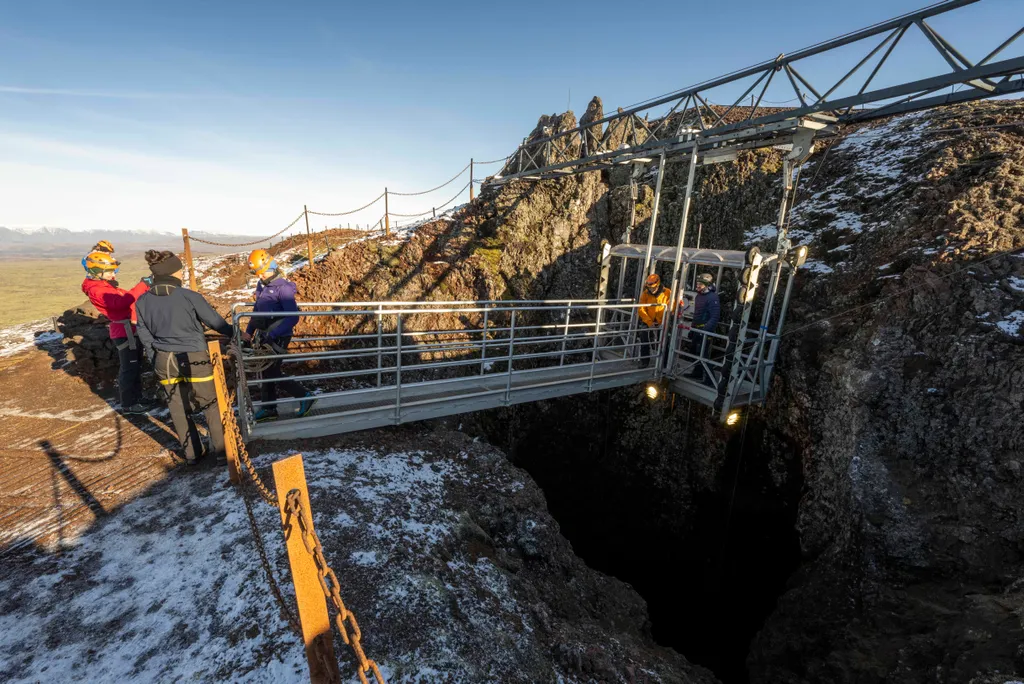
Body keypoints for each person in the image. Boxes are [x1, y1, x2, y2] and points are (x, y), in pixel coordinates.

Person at [135, 250, 232, 465]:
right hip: (194, 357)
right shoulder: (189, 296)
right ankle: (222, 451)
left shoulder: (142, 302)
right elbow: (216, 322)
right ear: (174, 272)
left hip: (164, 361)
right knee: (211, 404)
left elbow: (145, 336)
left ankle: (193, 454)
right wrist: (237, 334)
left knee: (178, 409)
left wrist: (155, 360)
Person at [243, 249, 314, 422]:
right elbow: (257, 311)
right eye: (258, 274)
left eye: (263, 273)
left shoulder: (284, 289)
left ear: (272, 267)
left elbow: (293, 317)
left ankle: (304, 396)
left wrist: (273, 334)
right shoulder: (262, 286)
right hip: (265, 334)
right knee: (266, 370)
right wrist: (248, 332)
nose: (260, 277)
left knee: (272, 371)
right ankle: (269, 408)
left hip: (279, 335)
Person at [80, 249, 152, 414]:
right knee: (129, 367)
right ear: (98, 271)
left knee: (135, 365)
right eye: (110, 271)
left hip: (128, 329)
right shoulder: (98, 290)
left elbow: (126, 297)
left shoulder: (103, 285)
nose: (113, 274)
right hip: (124, 331)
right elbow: (122, 302)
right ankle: (129, 403)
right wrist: (143, 285)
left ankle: (137, 398)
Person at [686, 273, 721, 382]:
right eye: (697, 284)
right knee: (695, 352)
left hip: (705, 330)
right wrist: (692, 328)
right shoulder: (699, 296)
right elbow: (696, 314)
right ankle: (697, 373)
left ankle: (710, 380)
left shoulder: (712, 297)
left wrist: (706, 330)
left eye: (700, 284)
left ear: (707, 285)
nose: (698, 286)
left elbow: (715, 316)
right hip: (697, 328)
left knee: (704, 354)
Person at [637, 272, 670, 368]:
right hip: (648, 320)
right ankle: (644, 362)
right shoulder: (646, 293)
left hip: (662, 322)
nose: (651, 289)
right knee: (644, 341)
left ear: (658, 284)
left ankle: (664, 363)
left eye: (653, 287)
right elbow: (641, 308)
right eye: (649, 287)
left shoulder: (667, 292)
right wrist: (649, 322)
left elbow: (671, 307)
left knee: (664, 343)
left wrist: (664, 321)